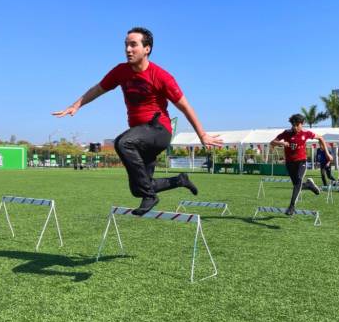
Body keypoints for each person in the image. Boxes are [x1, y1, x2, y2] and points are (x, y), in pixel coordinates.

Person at [52, 27, 222, 215]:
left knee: (124, 143)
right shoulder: (121, 71)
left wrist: (202, 134)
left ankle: (150, 196)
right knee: (138, 188)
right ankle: (179, 180)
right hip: (141, 136)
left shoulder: (161, 76)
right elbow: (98, 89)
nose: (128, 49)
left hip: (159, 130)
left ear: (147, 49)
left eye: (133, 45)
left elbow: (185, 106)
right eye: (126, 45)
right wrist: (76, 105)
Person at [269, 114, 322, 215]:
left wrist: (327, 153)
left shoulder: (306, 133)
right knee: (297, 185)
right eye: (293, 125)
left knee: (297, 183)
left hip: (301, 161)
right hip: (289, 163)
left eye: (297, 125)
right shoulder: (286, 133)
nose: (295, 127)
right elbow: (272, 142)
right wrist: (282, 143)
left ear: (302, 124)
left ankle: (291, 207)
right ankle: (309, 185)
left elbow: (320, 138)